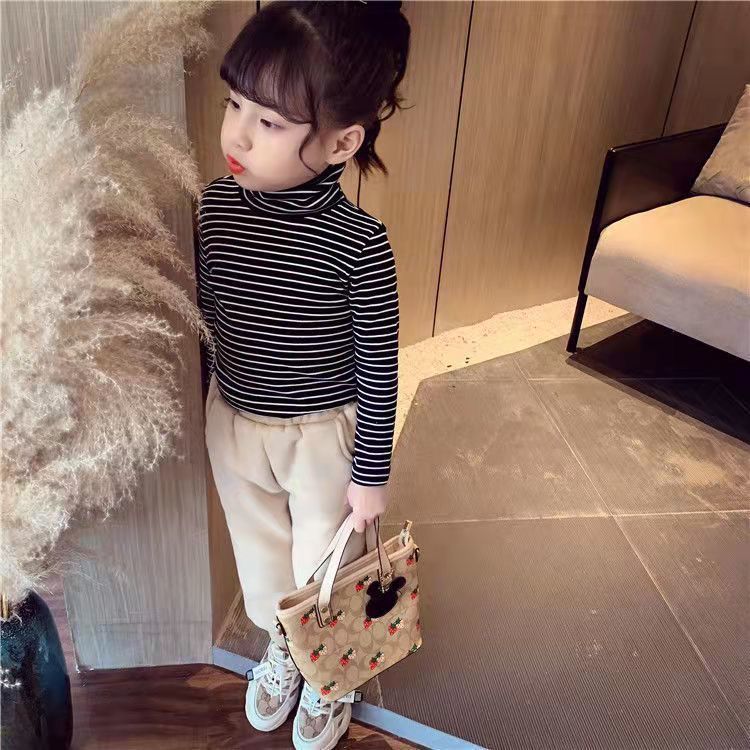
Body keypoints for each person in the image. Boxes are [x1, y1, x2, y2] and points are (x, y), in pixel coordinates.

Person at [197, 3, 410, 748]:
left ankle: (330, 671)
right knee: (261, 560)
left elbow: (379, 368)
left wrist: (371, 474)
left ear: (342, 142)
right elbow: (209, 315)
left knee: (322, 563)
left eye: (269, 122)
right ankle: (284, 649)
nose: (237, 134)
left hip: (321, 436)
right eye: (234, 104)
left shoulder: (359, 244)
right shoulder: (213, 209)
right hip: (235, 419)